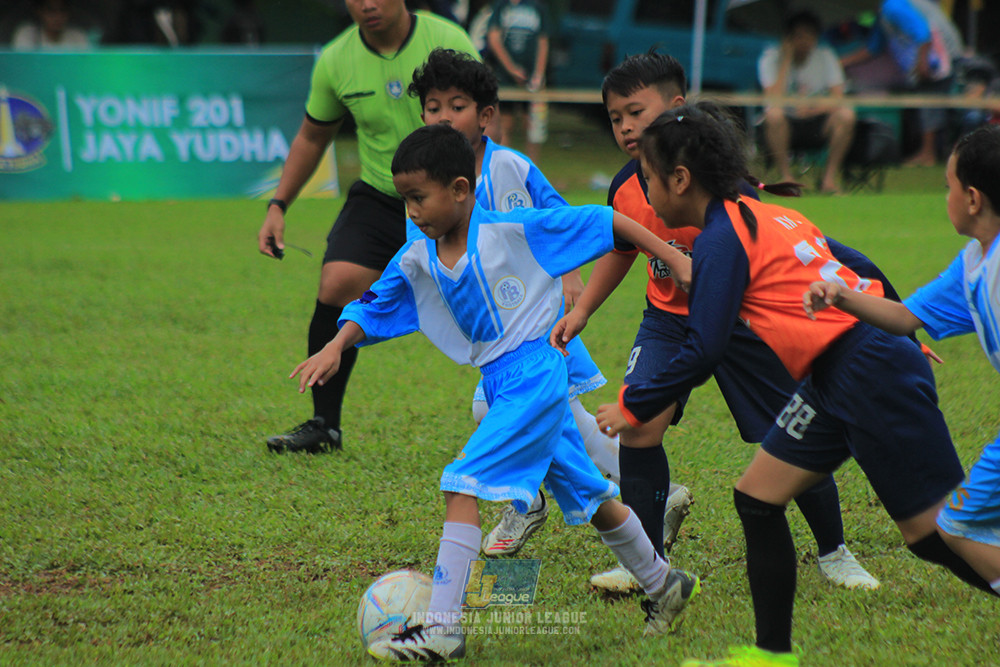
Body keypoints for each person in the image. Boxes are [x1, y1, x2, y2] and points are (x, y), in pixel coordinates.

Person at [571, 103, 995, 667]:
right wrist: (898, 322)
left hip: (866, 371)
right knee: (757, 497)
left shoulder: (724, 237)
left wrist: (633, 404)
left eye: (648, 179)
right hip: (833, 375)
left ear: (680, 179)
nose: (643, 193)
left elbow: (706, 347)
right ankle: (772, 656)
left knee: (929, 536)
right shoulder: (764, 215)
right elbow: (854, 260)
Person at [291, 124, 700, 662]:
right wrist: (337, 344)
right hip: (500, 381)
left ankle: (442, 628)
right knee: (591, 497)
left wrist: (675, 258)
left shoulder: (511, 229)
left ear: (460, 190)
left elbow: (604, 220)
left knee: (459, 483)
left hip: (535, 374)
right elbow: (375, 302)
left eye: (420, 197)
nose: (412, 211)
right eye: (405, 200)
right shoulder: (418, 256)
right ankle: (663, 583)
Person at [569, 50, 878, 595]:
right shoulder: (625, 186)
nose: (625, 127)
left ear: (676, 106)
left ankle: (835, 551)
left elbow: (773, 246)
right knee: (640, 428)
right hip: (666, 320)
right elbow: (620, 247)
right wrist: (583, 309)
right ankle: (648, 560)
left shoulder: (725, 181)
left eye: (635, 112)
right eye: (615, 118)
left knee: (790, 430)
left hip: (740, 322)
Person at [406, 47, 693, 558]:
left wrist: (570, 281)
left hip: (536, 321)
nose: (444, 118)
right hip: (496, 334)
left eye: (457, 106)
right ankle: (645, 502)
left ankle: (528, 499)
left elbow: (563, 218)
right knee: (544, 414)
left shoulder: (509, 168)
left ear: (486, 115)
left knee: (502, 407)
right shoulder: (424, 188)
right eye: (433, 107)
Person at [258, 0, 481, 455]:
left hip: (454, 196)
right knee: (336, 283)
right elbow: (312, 135)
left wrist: (483, 190)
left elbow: (483, 116)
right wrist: (278, 204)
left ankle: (537, 405)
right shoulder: (336, 59)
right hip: (383, 195)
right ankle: (325, 425)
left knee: (488, 299)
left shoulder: (448, 39)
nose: (367, 4)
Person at [805, 124, 1000, 599]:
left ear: (972, 198)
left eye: (946, 186)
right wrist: (842, 297)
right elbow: (905, 317)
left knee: (959, 527)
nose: (945, 197)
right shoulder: (973, 261)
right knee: (957, 527)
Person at [840, 0, 963, 166]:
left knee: (929, 100)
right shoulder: (883, 14)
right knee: (924, 103)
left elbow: (923, 33)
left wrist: (922, 63)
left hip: (942, 57)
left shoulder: (892, 5)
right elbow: (874, 47)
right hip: (934, 57)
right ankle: (929, 153)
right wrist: (842, 62)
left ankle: (929, 155)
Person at [757, 10, 856, 194]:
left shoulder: (825, 56)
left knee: (846, 115)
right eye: (799, 36)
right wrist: (786, 60)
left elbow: (838, 97)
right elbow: (772, 98)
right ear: (788, 38)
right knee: (774, 114)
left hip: (817, 121)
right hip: (786, 122)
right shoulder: (771, 58)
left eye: (809, 36)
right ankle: (786, 177)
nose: (804, 42)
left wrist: (811, 110)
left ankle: (828, 180)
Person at [485, 0, 549, 163]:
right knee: (505, 125)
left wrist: (539, 74)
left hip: (532, 80)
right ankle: (503, 168)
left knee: (533, 126)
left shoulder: (537, 6)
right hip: (505, 78)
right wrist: (511, 69)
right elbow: (494, 39)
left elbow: (543, 41)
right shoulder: (501, 6)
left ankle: (532, 171)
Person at [11, 0, 91, 50]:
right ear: (40, 12)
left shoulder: (78, 36)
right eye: (51, 11)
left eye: (62, 10)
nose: (57, 17)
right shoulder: (26, 34)